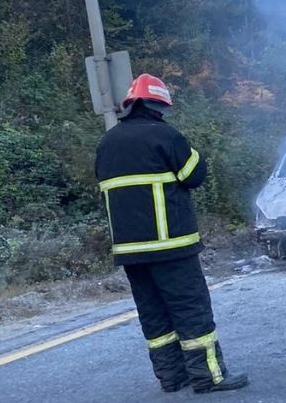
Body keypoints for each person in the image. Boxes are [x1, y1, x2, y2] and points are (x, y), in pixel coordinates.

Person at [95, 74, 248, 394]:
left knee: (154, 315)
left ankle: (171, 377)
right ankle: (208, 376)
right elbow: (195, 175)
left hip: (130, 252)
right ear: (158, 106)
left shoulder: (106, 143)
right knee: (190, 310)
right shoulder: (165, 136)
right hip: (172, 247)